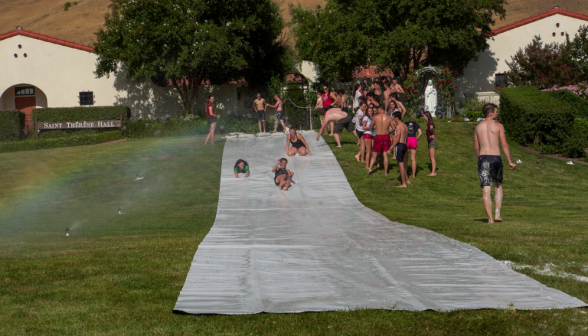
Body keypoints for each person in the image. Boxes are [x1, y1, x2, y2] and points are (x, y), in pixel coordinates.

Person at [474, 103, 516, 223]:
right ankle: (497, 214)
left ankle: (490, 219)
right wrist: (510, 161)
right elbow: (504, 144)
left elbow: (476, 148)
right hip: (496, 158)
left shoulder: (478, 127)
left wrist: (480, 159)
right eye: (496, 111)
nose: (497, 113)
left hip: (483, 158)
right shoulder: (498, 126)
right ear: (490, 113)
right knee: (498, 185)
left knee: (486, 188)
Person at [368, 106, 394, 175]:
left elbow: (370, 126)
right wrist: (389, 132)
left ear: (380, 109)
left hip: (378, 136)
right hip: (386, 136)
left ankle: (370, 168)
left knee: (374, 154)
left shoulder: (376, 117)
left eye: (378, 109)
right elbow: (394, 128)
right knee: (385, 154)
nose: (377, 111)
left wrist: (376, 126)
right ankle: (385, 172)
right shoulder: (389, 118)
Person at [391, 111, 409, 187]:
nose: (393, 119)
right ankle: (407, 179)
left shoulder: (399, 126)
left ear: (397, 118)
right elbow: (406, 137)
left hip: (401, 145)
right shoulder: (405, 126)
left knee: (400, 165)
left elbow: (397, 138)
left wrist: (391, 147)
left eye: (393, 118)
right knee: (401, 164)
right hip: (405, 145)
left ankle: (403, 183)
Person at [422, 111, 438, 176]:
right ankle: (434, 171)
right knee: (430, 157)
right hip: (430, 141)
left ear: (427, 116)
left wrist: (431, 134)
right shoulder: (429, 122)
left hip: (432, 141)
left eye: (423, 116)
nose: (423, 117)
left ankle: (433, 173)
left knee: (432, 157)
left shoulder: (429, 122)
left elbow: (431, 128)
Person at [361, 105, 375, 170]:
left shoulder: (370, 118)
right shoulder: (366, 118)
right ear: (367, 112)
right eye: (369, 111)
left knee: (372, 150)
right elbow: (363, 127)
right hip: (367, 134)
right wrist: (370, 127)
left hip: (370, 134)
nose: (370, 112)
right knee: (368, 151)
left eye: (371, 111)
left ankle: (370, 163)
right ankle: (367, 165)